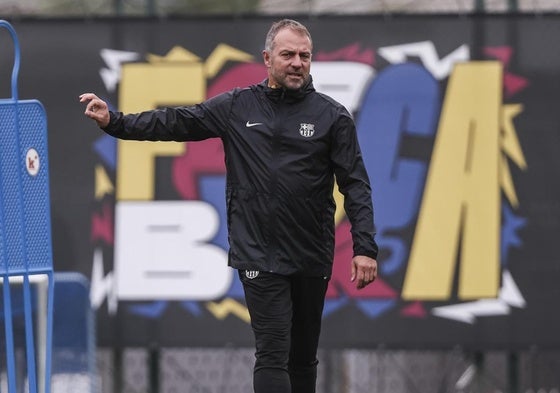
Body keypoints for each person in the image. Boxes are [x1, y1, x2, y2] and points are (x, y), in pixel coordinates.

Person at [80, 18, 378, 393]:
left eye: (305, 55)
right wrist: (116, 122)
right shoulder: (238, 106)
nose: (297, 63)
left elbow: (356, 185)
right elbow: (176, 122)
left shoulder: (331, 116)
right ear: (268, 58)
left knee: (302, 359)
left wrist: (364, 247)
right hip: (258, 253)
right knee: (271, 353)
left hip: (310, 254)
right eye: (288, 55)